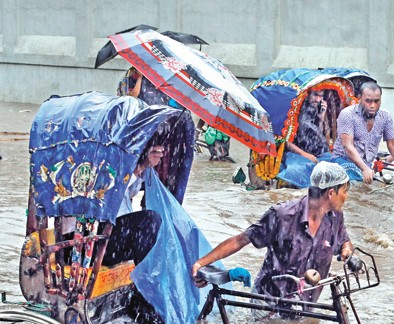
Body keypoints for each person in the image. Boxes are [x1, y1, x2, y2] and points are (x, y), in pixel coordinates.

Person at [191, 162, 354, 303]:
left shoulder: (335, 217)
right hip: (268, 301)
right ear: (331, 193)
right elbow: (241, 240)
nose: (346, 197)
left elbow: (344, 240)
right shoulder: (282, 216)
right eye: (345, 191)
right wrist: (201, 264)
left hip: (304, 303)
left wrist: (347, 249)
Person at [331, 81, 394, 184]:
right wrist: (364, 169)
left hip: (368, 164)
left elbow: (393, 144)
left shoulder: (385, 117)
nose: (372, 105)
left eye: (376, 101)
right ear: (359, 98)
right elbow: (348, 146)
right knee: (356, 186)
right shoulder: (348, 114)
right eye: (368, 101)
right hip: (343, 161)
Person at [103, 144, 165, 265]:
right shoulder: (99, 160)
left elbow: (129, 193)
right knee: (150, 219)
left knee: (164, 227)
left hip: (118, 237)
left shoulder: (119, 160)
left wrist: (142, 168)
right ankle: (144, 276)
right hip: (101, 240)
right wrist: (140, 168)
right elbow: (112, 193)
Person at [286, 88, 331, 163]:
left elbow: (318, 135)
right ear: (308, 94)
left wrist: (321, 118)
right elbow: (285, 141)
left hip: (319, 153)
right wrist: (304, 154)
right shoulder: (294, 109)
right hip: (297, 154)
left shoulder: (315, 110)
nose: (317, 100)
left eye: (321, 96)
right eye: (315, 95)